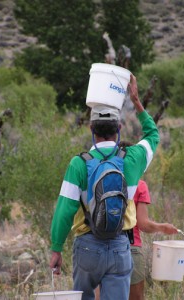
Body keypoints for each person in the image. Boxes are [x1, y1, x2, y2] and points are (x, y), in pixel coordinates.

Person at [49, 74, 160, 300]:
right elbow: (153, 135)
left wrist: (56, 247)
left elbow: (64, 211)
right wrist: (136, 101)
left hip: (87, 246)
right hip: (121, 245)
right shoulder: (133, 158)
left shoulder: (78, 164)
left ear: (91, 128)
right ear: (118, 127)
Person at [94, 179, 178, 300]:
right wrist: (162, 227)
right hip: (130, 247)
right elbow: (143, 224)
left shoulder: (100, 180)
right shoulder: (139, 184)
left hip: (99, 246)